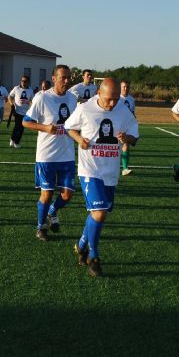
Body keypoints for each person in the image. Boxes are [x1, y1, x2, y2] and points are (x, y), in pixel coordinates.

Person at [64, 78, 139, 277]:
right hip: (90, 170)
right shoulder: (85, 108)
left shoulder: (123, 110)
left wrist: (127, 139)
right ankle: (94, 257)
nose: (113, 103)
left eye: (116, 99)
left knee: (99, 214)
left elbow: (134, 134)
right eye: (109, 99)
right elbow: (68, 126)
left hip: (110, 172)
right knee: (99, 213)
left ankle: (81, 245)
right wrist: (80, 139)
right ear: (99, 92)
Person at [23, 65, 78, 241]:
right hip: (47, 156)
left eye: (69, 77)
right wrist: (45, 127)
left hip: (67, 155)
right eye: (63, 78)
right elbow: (26, 122)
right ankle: (41, 226)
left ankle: (53, 211)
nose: (67, 81)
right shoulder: (42, 98)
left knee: (67, 194)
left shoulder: (73, 99)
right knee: (46, 195)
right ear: (54, 79)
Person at [7, 75, 34, 149]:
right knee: (17, 126)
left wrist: (31, 107)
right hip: (17, 111)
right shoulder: (16, 88)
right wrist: (11, 103)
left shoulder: (30, 90)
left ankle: (15, 141)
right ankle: (14, 140)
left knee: (21, 127)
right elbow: (10, 96)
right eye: (22, 80)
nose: (23, 82)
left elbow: (33, 101)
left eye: (25, 81)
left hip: (26, 112)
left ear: (28, 82)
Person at [120, 79, 136, 176]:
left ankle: (125, 168)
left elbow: (133, 113)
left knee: (126, 145)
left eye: (127, 87)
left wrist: (134, 124)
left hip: (127, 126)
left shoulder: (131, 99)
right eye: (124, 87)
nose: (126, 89)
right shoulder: (116, 98)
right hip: (117, 125)